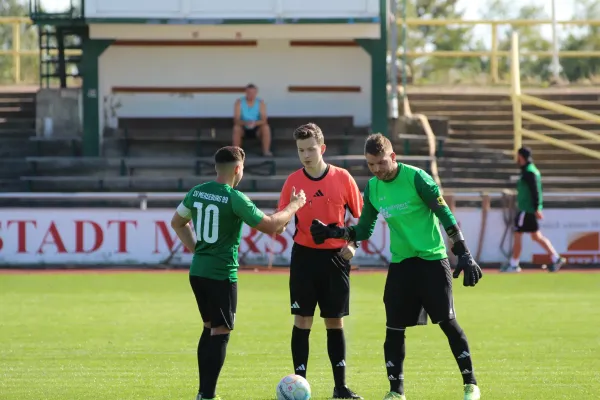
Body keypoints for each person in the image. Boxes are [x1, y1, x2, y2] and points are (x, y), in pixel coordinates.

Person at [310, 133, 483, 400]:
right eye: (371, 164)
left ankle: (470, 384)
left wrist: (463, 253)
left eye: (381, 162)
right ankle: (396, 392)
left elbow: (445, 214)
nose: (377, 169)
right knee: (393, 329)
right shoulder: (373, 188)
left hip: (432, 261)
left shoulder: (417, 178)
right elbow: (364, 230)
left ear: (392, 157)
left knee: (448, 323)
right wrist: (334, 232)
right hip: (401, 264)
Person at [170, 146, 306, 400]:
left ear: (216, 168)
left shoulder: (196, 192)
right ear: (237, 169)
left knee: (209, 328)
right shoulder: (235, 198)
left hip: (198, 271)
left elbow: (177, 222)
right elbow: (271, 226)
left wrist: (198, 249)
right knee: (220, 332)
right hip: (221, 274)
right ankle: (207, 395)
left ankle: (203, 392)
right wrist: (295, 205)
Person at [277, 123, 364, 399]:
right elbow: (280, 221)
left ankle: (340, 387)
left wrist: (353, 245)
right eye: (300, 150)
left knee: (334, 321)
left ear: (322, 148)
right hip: (304, 257)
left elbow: (362, 221)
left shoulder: (343, 178)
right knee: (302, 319)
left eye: (311, 149)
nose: (306, 155)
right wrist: (283, 215)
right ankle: (298, 386)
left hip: (336, 259)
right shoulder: (292, 182)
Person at [502, 146, 566, 273]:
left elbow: (535, 191)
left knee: (518, 234)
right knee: (536, 236)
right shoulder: (531, 170)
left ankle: (514, 264)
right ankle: (555, 258)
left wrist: (536, 208)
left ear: (521, 157)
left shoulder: (528, 172)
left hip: (526, 209)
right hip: (529, 209)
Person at [232, 83, 272, 156]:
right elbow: (236, 120)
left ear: (256, 93)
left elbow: (264, 120)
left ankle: (266, 151)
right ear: (246, 92)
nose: (251, 95)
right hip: (243, 127)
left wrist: (254, 123)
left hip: (257, 128)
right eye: (249, 93)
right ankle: (236, 153)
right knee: (236, 128)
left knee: (266, 128)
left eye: (253, 93)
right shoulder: (239, 102)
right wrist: (246, 123)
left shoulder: (260, 103)